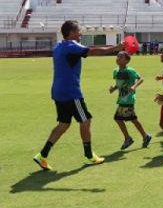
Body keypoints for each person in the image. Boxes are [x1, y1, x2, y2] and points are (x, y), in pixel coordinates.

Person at [34, 20, 125, 170]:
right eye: (79, 30)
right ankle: (89, 156)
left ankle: (42, 155)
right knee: (86, 120)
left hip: (58, 91)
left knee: (64, 124)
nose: (81, 33)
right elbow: (94, 51)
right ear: (71, 32)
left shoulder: (58, 46)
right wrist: (117, 47)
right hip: (70, 92)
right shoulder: (71, 46)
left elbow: (87, 49)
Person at [109, 51, 151, 150]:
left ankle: (129, 139)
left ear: (127, 61)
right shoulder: (116, 71)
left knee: (119, 119)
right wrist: (113, 89)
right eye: (118, 56)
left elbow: (141, 79)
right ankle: (145, 136)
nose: (118, 58)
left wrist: (134, 86)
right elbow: (119, 83)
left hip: (128, 99)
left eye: (121, 57)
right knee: (132, 119)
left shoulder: (130, 71)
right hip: (121, 99)